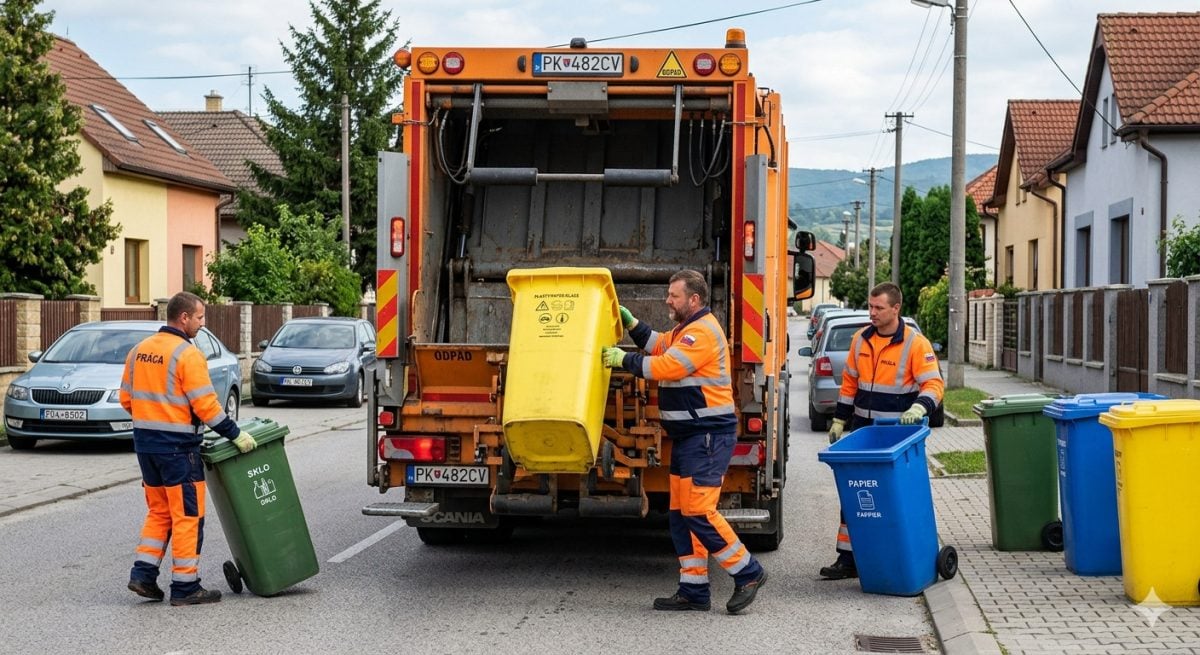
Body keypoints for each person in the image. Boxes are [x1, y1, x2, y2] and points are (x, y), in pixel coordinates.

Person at [602, 270, 767, 614]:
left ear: (693, 300)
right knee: (680, 514)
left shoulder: (702, 333)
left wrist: (623, 360)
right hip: (690, 437)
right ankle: (694, 589)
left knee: (698, 511)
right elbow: (659, 344)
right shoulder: (684, 331)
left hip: (707, 436)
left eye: (673, 295)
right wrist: (632, 324)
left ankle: (748, 572)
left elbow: (667, 365)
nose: (667, 300)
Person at [121, 292, 258, 606]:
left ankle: (142, 575)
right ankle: (185, 587)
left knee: (159, 512)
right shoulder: (187, 354)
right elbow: (207, 407)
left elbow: (126, 399)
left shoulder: (138, 351)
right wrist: (235, 434)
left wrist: (153, 420)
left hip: (146, 447)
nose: (202, 323)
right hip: (179, 450)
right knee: (188, 516)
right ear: (183, 318)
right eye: (200, 317)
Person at [820, 282, 944, 580]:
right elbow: (850, 383)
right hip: (864, 431)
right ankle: (848, 559)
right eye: (870, 306)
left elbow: (934, 384)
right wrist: (839, 419)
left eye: (878, 308)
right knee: (857, 495)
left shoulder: (916, 344)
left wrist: (920, 407)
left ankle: (894, 553)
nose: (872, 313)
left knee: (892, 497)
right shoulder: (861, 340)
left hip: (897, 437)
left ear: (896, 309)